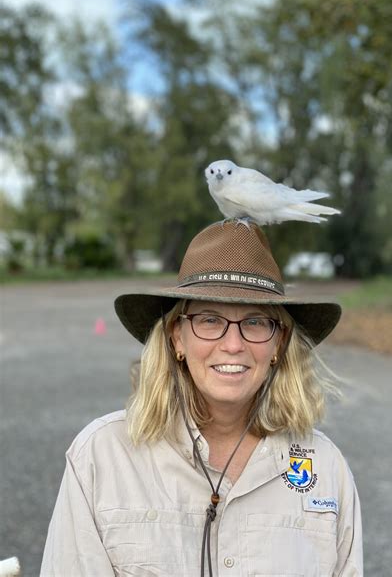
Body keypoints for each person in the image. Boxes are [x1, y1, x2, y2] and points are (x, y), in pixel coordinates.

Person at [41, 221, 363, 577]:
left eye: (255, 322)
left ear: (279, 343)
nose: (233, 344)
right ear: (177, 338)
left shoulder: (325, 467)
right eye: (210, 319)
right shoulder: (101, 457)